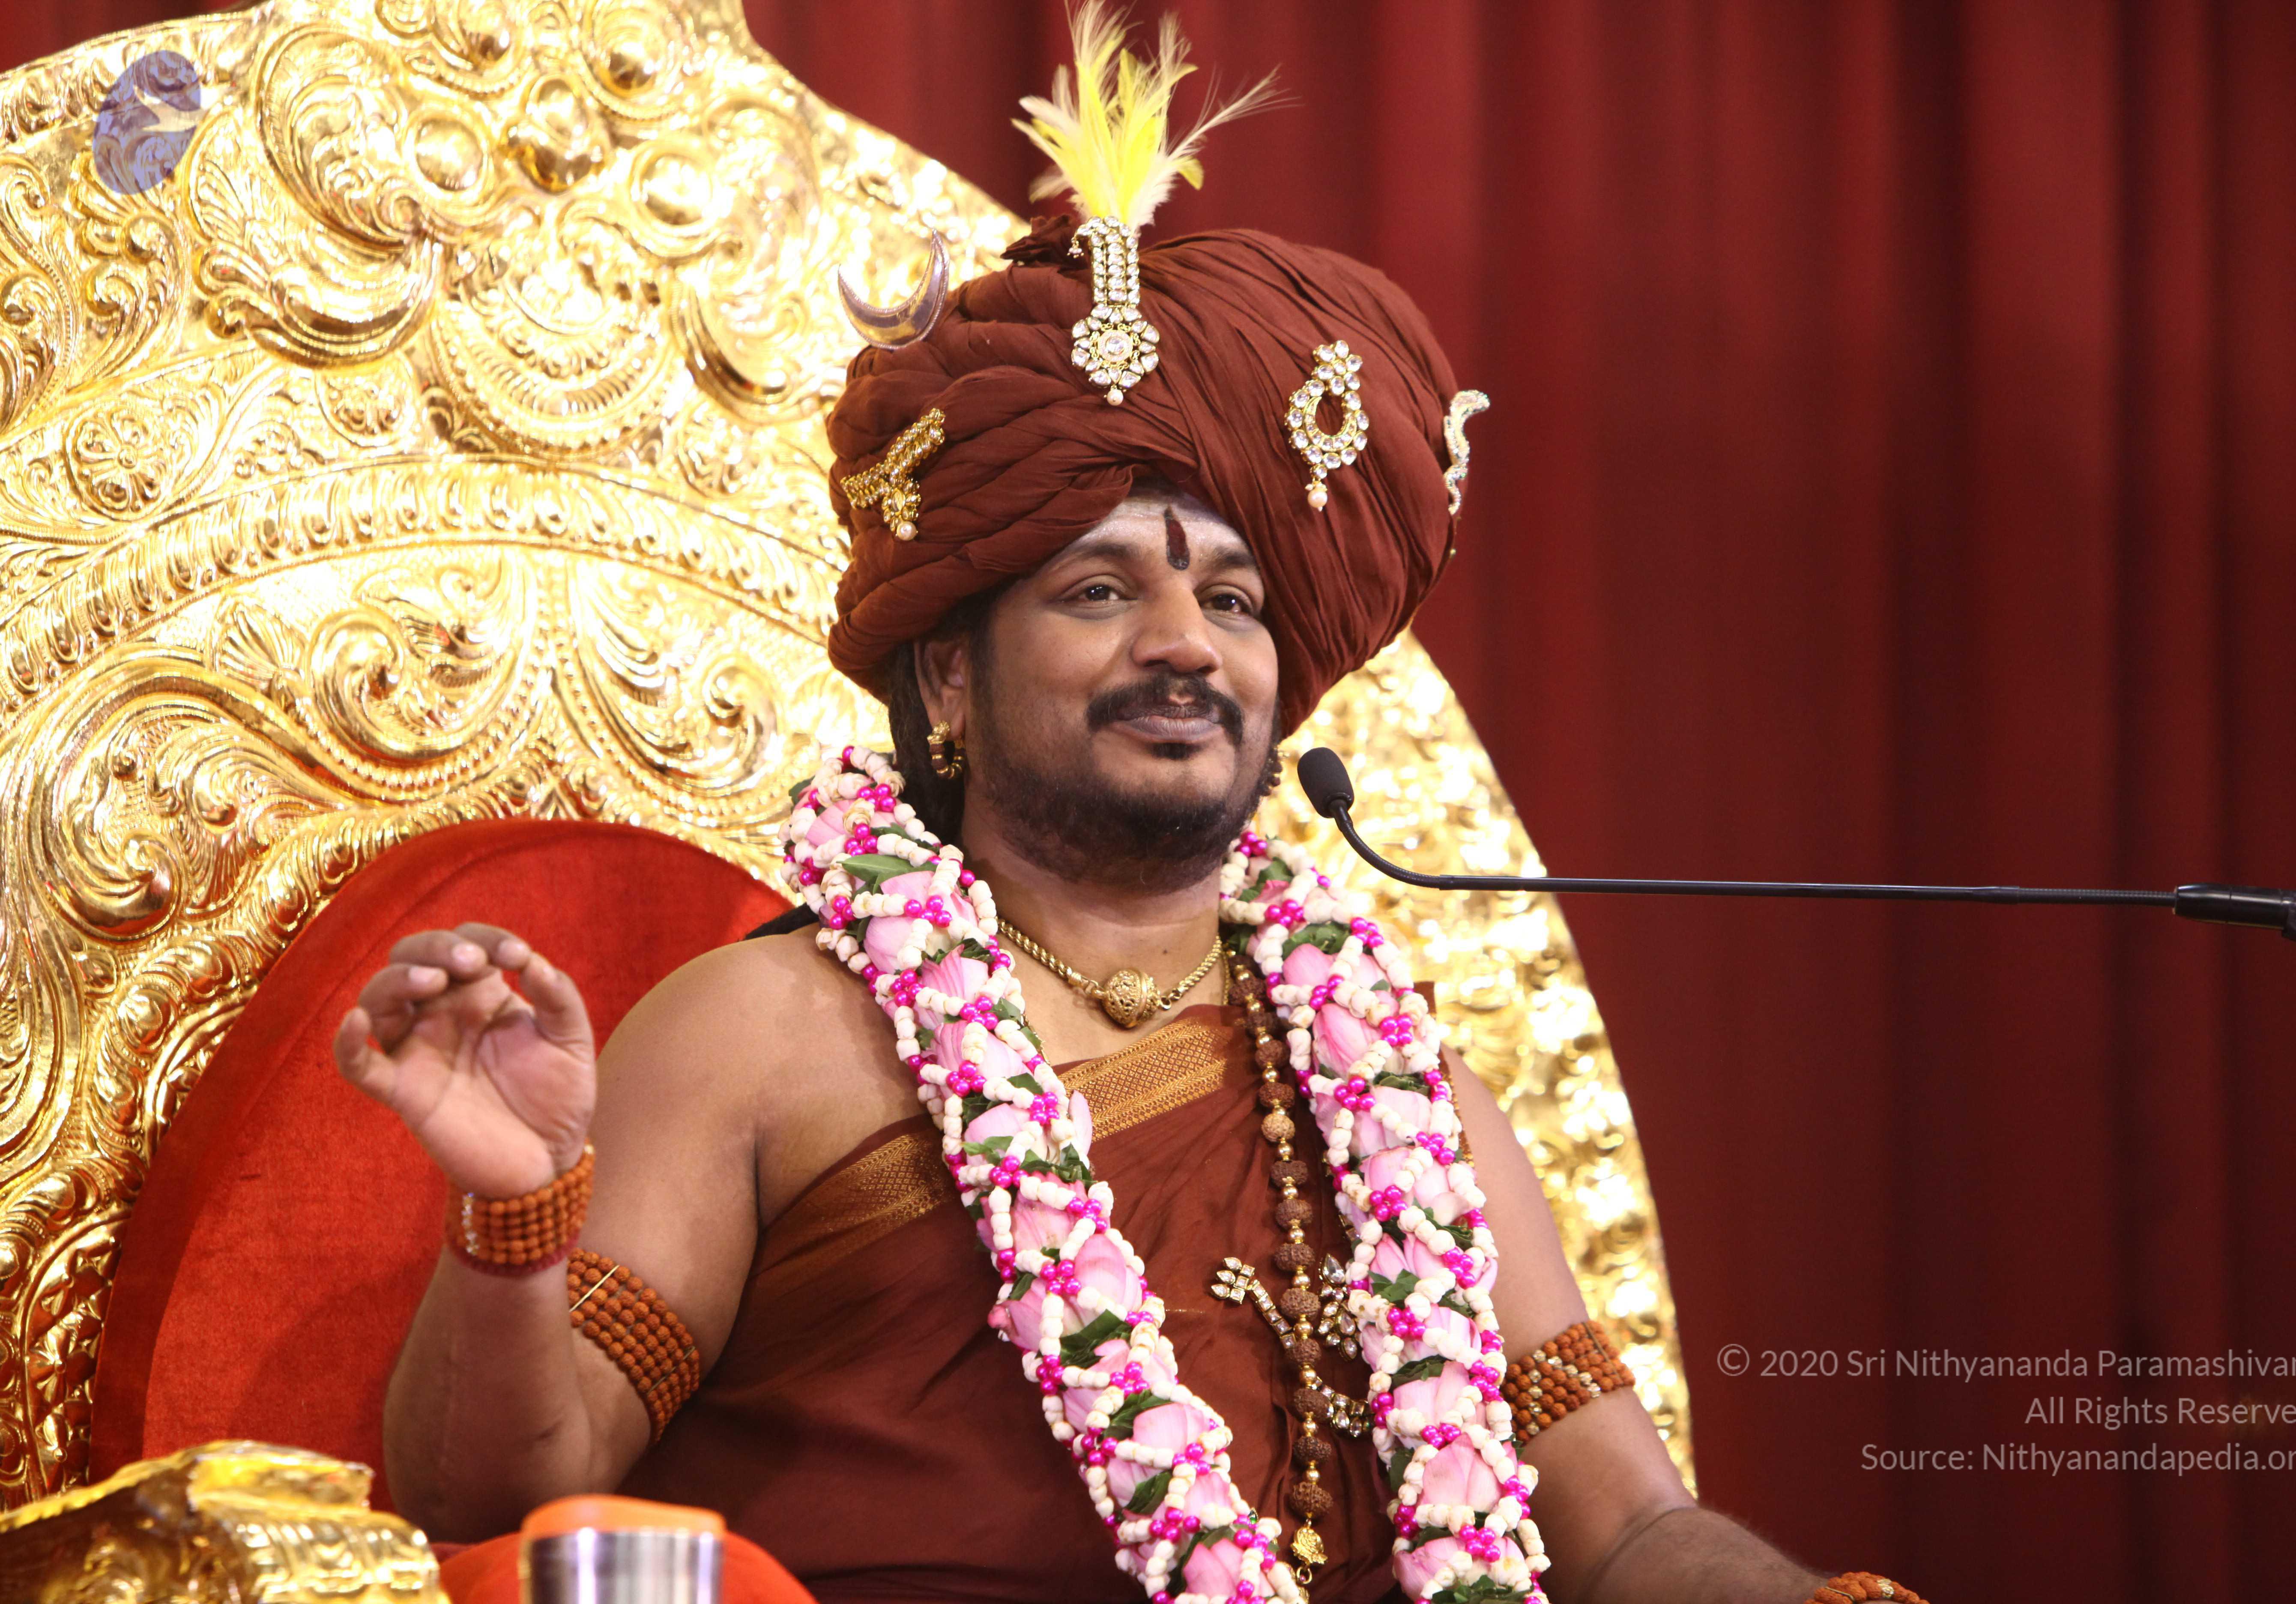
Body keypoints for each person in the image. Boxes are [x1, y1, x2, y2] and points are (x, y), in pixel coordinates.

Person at [333, 13, 1926, 1604]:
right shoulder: (769, 1036)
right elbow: (489, 1495)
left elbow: (1629, 1529)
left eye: (1235, 603)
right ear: (948, 678)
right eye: (1101, 591)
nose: (1186, 646)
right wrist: (516, 1214)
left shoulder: (1406, 1095)